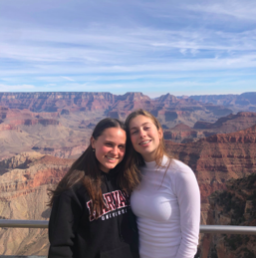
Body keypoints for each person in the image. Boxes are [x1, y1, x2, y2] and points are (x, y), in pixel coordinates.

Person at [48, 118, 140, 258]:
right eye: (109, 144)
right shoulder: (73, 189)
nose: (115, 152)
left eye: (121, 146)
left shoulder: (127, 179)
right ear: (93, 142)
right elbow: (61, 246)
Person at [125, 109, 200, 258]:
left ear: (159, 133)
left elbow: (190, 239)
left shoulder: (181, 174)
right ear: (130, 140)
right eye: (134, 131)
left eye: (147, 128)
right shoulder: (133, 174)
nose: (142, 134)